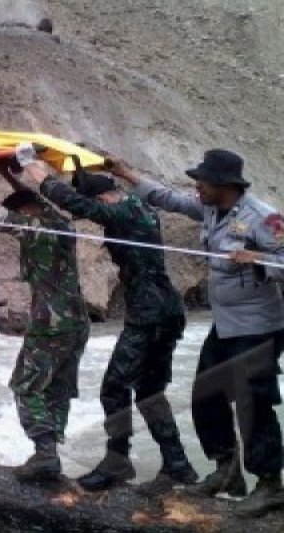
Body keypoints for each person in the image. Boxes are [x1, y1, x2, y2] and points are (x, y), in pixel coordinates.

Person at [113, 149, 284, 516]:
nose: (196, 186)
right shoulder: (208, 207)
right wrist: (124, 172)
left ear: (224, 185)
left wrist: (259, 260)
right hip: (224, 324)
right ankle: (227, 471)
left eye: (202, 181)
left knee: (252, 401)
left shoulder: (264, 218)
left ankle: (270, 484)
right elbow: (167, 198)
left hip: (258, 326)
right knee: (205, 394)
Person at [19, 146, 197, 493]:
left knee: (114, 388)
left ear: (105, 198)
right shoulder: (140, 206)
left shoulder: (118, 213)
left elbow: (73, 202)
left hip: (148, 313)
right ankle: (177, 464)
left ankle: (118, 461)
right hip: (168, 310)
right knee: (149, 390)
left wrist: (31, 166)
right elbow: (93, 196)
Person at [0, 158, 90, 481]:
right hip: (78, 322)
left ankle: (45, 454)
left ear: (26, 214)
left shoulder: (34, 230)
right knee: (58, 387)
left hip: (51, 322)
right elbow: (32, 200)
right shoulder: (60, 223)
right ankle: (51, 453)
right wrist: (6, 173)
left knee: (25, 386)